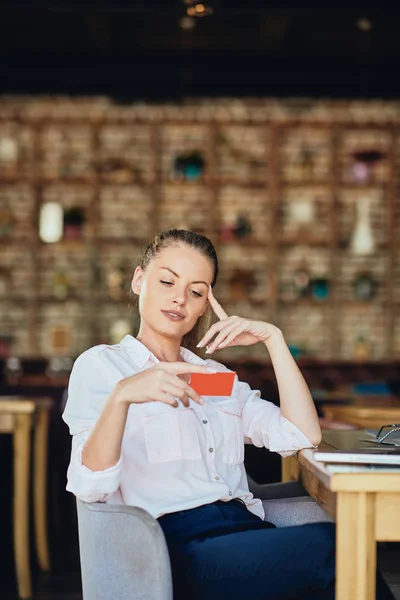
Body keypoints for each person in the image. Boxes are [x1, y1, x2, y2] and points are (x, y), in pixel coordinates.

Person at [63, 229, 394, 600]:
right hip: (173, 547)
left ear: (206, 304)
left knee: (337, 558)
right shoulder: (104, 367)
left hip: (243, 530)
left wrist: (274, 339)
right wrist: (122, 398)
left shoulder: (213, 378)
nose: (179, 298)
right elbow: (91, 486)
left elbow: (302, 435)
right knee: (330, 547)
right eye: (167, 281)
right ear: (139, 280)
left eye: (196, 291)